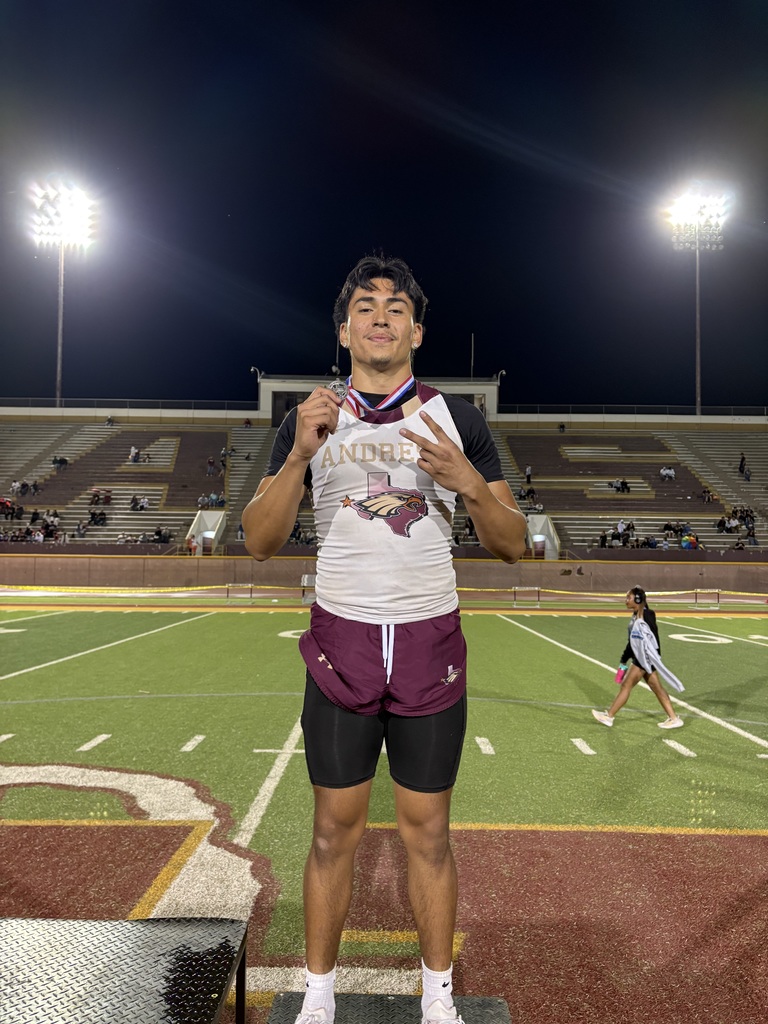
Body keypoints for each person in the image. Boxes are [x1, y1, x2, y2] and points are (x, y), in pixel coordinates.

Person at [242, 255, 527, 1024]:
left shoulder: (457, 417)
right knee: (333, 834)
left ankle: (439, 1000)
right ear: (343, 330)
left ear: (416, 330)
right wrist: (300, 453)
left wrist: (469, 483)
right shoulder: (308, 417)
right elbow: (260, 542)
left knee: (428, 833)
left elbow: (514, 545)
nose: (379, 316)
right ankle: (320, 997)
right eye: (364, 306)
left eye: (394, 307)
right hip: (343, 642)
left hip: (430, 641)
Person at [592, 587, 684, 729]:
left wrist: (653, 656)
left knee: (626, 686)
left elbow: (653, 639)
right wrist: (624, 658)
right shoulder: (636, 616)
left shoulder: (647, 615)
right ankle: (673, 718)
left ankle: (609, 716)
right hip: (642, 657)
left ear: (638, 600)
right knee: (656, 687)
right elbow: (633, 642)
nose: (626, 600)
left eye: (628, 597)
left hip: (644, 658)